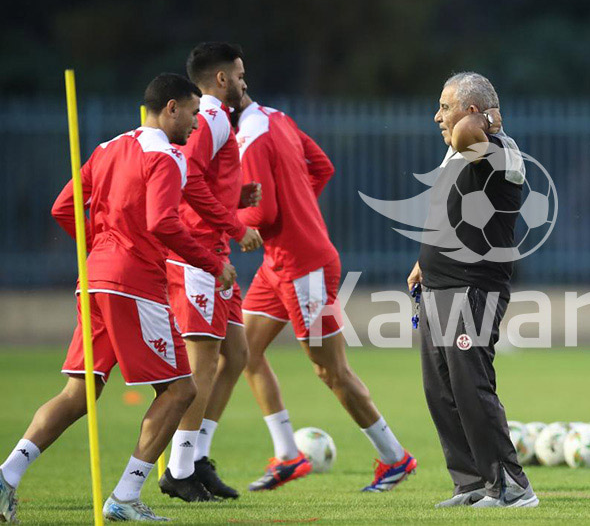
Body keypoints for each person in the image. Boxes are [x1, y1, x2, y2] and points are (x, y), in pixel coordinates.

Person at [0, 73, 236, 522]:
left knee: (79, 390)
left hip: (94, 279)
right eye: (191, 113)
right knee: (180, 390)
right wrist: (212, 262)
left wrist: (102, 243)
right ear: (171, 107)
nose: (195, 124)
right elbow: (163, 222)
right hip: (134, 282)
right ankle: (126, 497)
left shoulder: (110, 147)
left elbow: (63, 207)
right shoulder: (165, 156)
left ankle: (6, 475)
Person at [234, 94, 415, 492]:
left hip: (304, 270)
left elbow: (260, 215)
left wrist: (229, 220)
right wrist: (297, 206)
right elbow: (322, 166)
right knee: (243, 352)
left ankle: (395, 458)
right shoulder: (277, 119)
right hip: (276, 265)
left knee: (330, 370)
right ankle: (288, 455)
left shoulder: (249, 135)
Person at [408, 72, 538, 508]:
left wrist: (480, 117)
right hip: (439, 285)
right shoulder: (460, 154)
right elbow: (450, 214)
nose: (436, 117)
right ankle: (472, 483)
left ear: (471, 111)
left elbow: (467, 131)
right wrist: (422, 264)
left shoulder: (499, 150)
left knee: (471, 386)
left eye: (444, 107)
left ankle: (512, 486)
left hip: (473, 288)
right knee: (441, 389)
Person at [160, 42, 263, 502]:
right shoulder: (214, 116)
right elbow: (188, 174)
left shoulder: (219, 119)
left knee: (237, 355)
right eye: (240, 75)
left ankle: (196, 455)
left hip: (215, 253)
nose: (245, 83)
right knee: (201, 367)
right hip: (199, 256)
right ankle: (178, 470)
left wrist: (236, 198)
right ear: (221, 79)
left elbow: (200, 180)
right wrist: (234, 222)